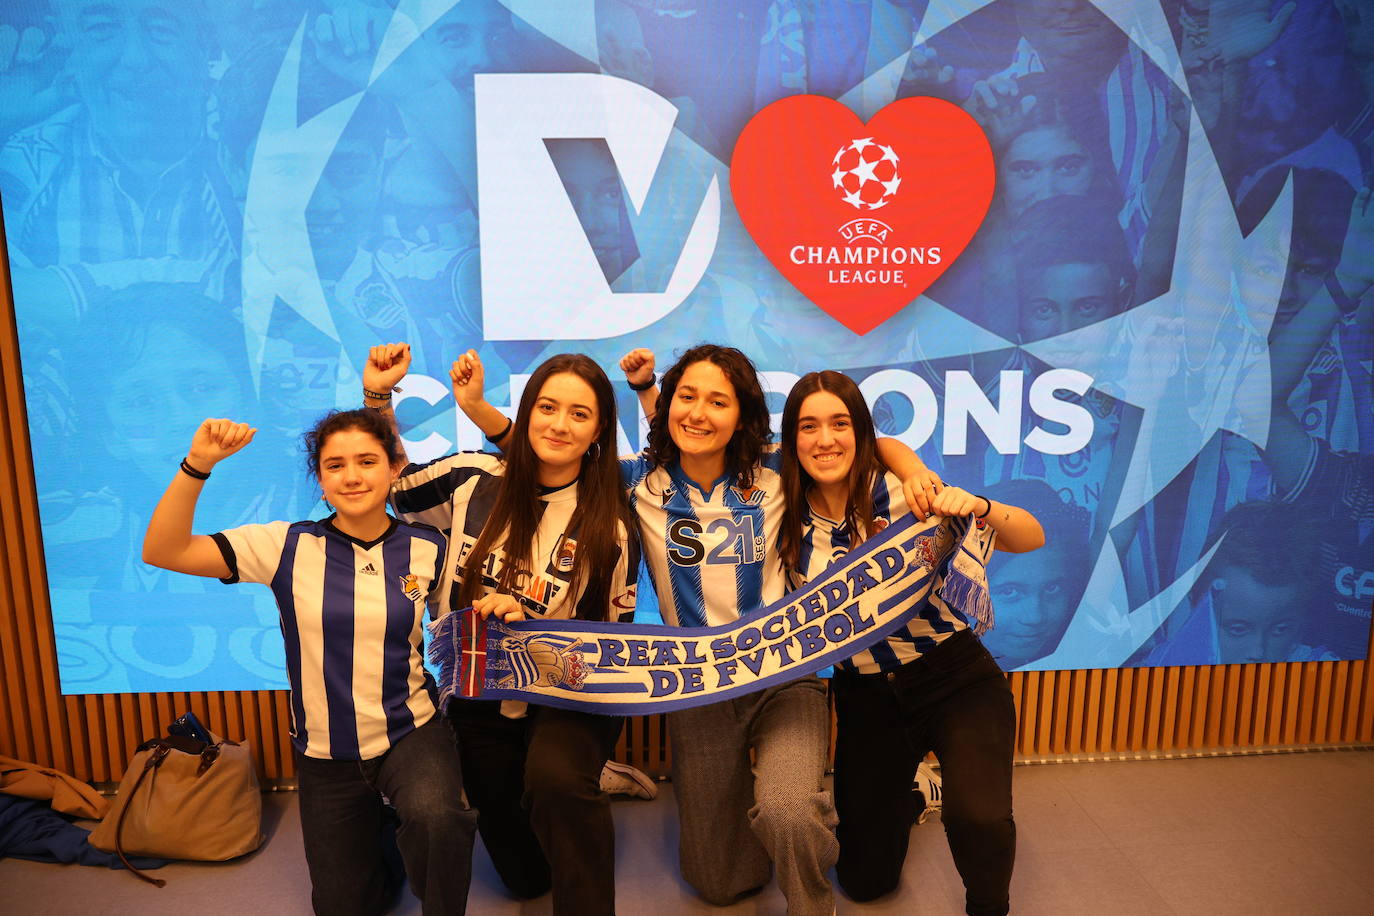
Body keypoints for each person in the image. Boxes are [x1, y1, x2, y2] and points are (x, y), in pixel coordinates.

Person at [451, 342, 939, 916]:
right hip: (698, 684)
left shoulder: (780, 468)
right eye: (687, 397)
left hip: (787, 677)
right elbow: (550, 450)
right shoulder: (634, 482)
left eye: (718, 402)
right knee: (718, 882)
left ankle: (811, 823)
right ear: (669, 404)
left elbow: (863, 443)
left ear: (743, 416)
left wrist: (914, 469)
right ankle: (773, 813)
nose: (699, 413)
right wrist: (480, 410)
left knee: (786, 813)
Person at [141, 409, 476, 915]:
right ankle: (385, 838)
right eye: (335, 465)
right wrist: (198, 465)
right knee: (344, 905)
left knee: (439, 817)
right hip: (325, 749)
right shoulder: (286, 544)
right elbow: (163, 550)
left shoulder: (430, 546)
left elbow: (465, 618)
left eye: (367, 461)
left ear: (394, 468)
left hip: (410, 729)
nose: (353, 475)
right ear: (320, 480)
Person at [364, 343, 638, 915]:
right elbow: (385, 482)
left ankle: (577, 775)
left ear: (599, 432)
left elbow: (611, 649)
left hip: (565, 698)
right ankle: (565, 788)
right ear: (527, 411)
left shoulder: (609, 523)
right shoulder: (470, 478)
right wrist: (378, 397)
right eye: (547, 407)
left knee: (556, 779)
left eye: (579, 414)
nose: (559, 425)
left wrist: (534, 632)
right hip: (477, 694)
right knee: (525, 879)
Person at [777, 370, 1045, 916]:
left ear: (862, 432)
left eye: (840, 424)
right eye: (808, 426)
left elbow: (1032, 535)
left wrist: (973, 503)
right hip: (867, 699)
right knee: (864, 882)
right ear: (791, 438)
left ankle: (988, 905)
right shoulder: (778, 510)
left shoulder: (909, 492)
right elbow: (704, 443)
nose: (825, 439)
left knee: (979, 819)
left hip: (953, 676)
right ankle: (918, 792)